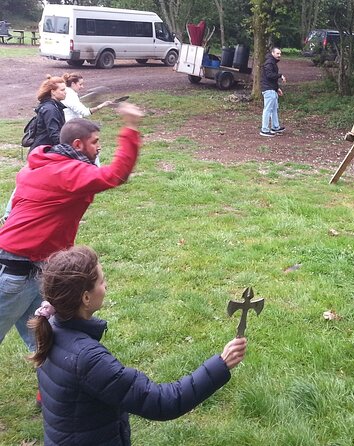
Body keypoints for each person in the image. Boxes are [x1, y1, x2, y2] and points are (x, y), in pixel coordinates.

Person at [28, 245, 248, 445]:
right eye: (102, 281)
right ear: (86, 298)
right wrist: (221, 364)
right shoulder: (88, 359)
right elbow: (163, 401)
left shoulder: (52, 326)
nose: (106, 285)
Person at [0, 103, 143, 351]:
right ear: (77, 145)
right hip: (18, 269)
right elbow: (115, 175)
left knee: (45, 333)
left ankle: (61, 380)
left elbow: (12, 209)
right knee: (41, 330)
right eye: (95, 141)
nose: (99, 147)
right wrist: (130, 127)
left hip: (40, 265)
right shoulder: (67, 172)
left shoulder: (41, 165)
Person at [3, 75, 67, 222]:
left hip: (45, 151)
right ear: (52, 91)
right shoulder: (50, 109)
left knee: (44, 183)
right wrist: (66, 149)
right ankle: (8, 214)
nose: (65, 93)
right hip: (42, 153)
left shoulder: (53, 106)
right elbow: (54, 134)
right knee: (26, 182)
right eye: (62, 90)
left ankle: (50, 214)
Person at [259, 47, 286, 137]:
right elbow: (269, 75)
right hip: (268, 89)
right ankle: (264, 129)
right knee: (267, 110)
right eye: (277, 53)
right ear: (273, 53)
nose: (279, 55)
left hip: (272, 89)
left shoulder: (272, 62)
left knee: (274, 109)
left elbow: (271, 79)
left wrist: (277, 88)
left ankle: (275, 127)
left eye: (280, 54)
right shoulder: (269, 62)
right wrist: (280, 75)